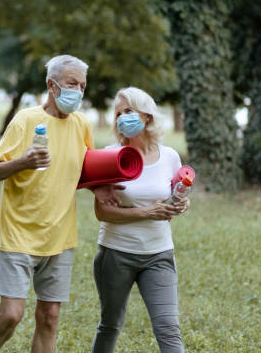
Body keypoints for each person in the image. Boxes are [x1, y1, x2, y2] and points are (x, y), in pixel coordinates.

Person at [0, 55, 118, 353]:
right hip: (18, 233)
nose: (79, 92)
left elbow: (84, 169)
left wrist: (98, 189)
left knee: (50, 317)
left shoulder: (82, 124)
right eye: (72, 83)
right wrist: (24, 161)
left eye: (83, 86)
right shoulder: (26, 120)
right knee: (11, 315)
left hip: (59, 235)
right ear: (51, 85)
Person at [91, 87, 189, 353]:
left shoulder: (170, 156)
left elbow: (173, 199)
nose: (123, 118)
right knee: (110, 325)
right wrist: (146, 213)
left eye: (129, 111)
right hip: (116, 254)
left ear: (146, 116)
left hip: (159, 254)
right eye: (118, 114)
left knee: (168, 328)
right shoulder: (110, 155)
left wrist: (181, 204)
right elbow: (102, 212)